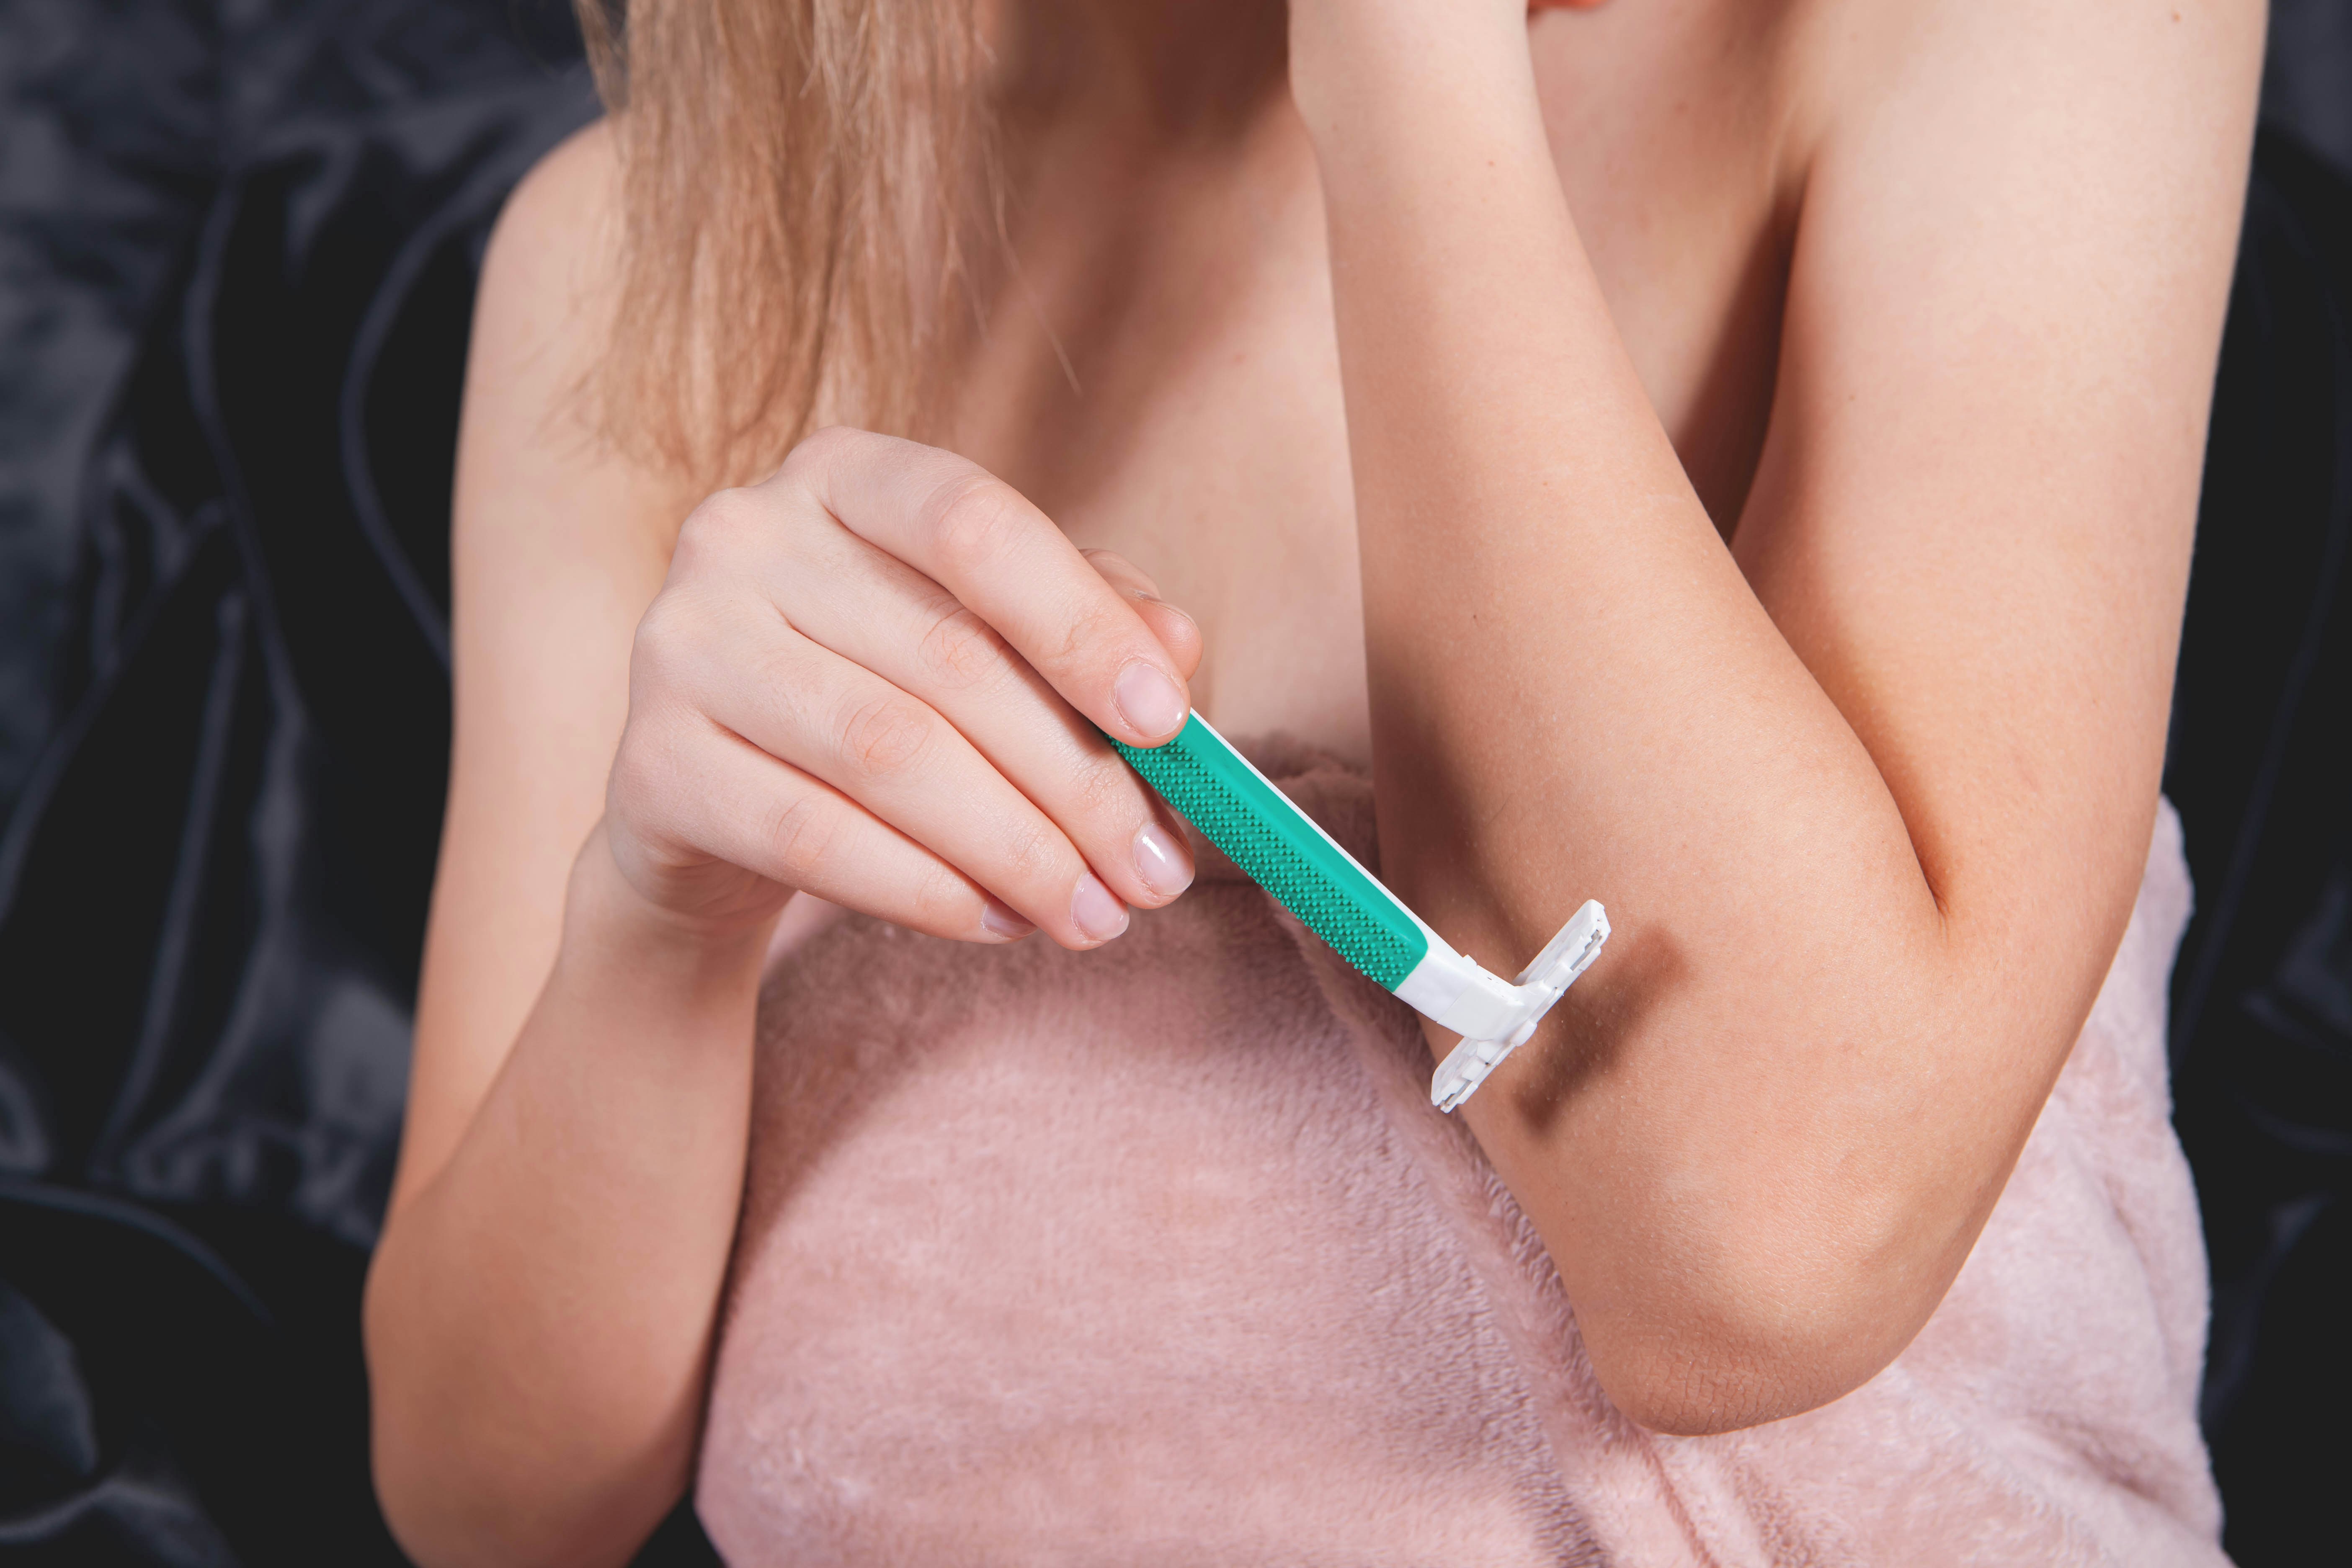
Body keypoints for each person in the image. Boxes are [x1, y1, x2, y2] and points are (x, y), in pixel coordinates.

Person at [360, 0, 2263, 1562]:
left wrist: (1401, 68)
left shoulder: (1986, 30)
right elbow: (489, 1506)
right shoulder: (657, 252)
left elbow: (1765, 1265)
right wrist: (666, 916)